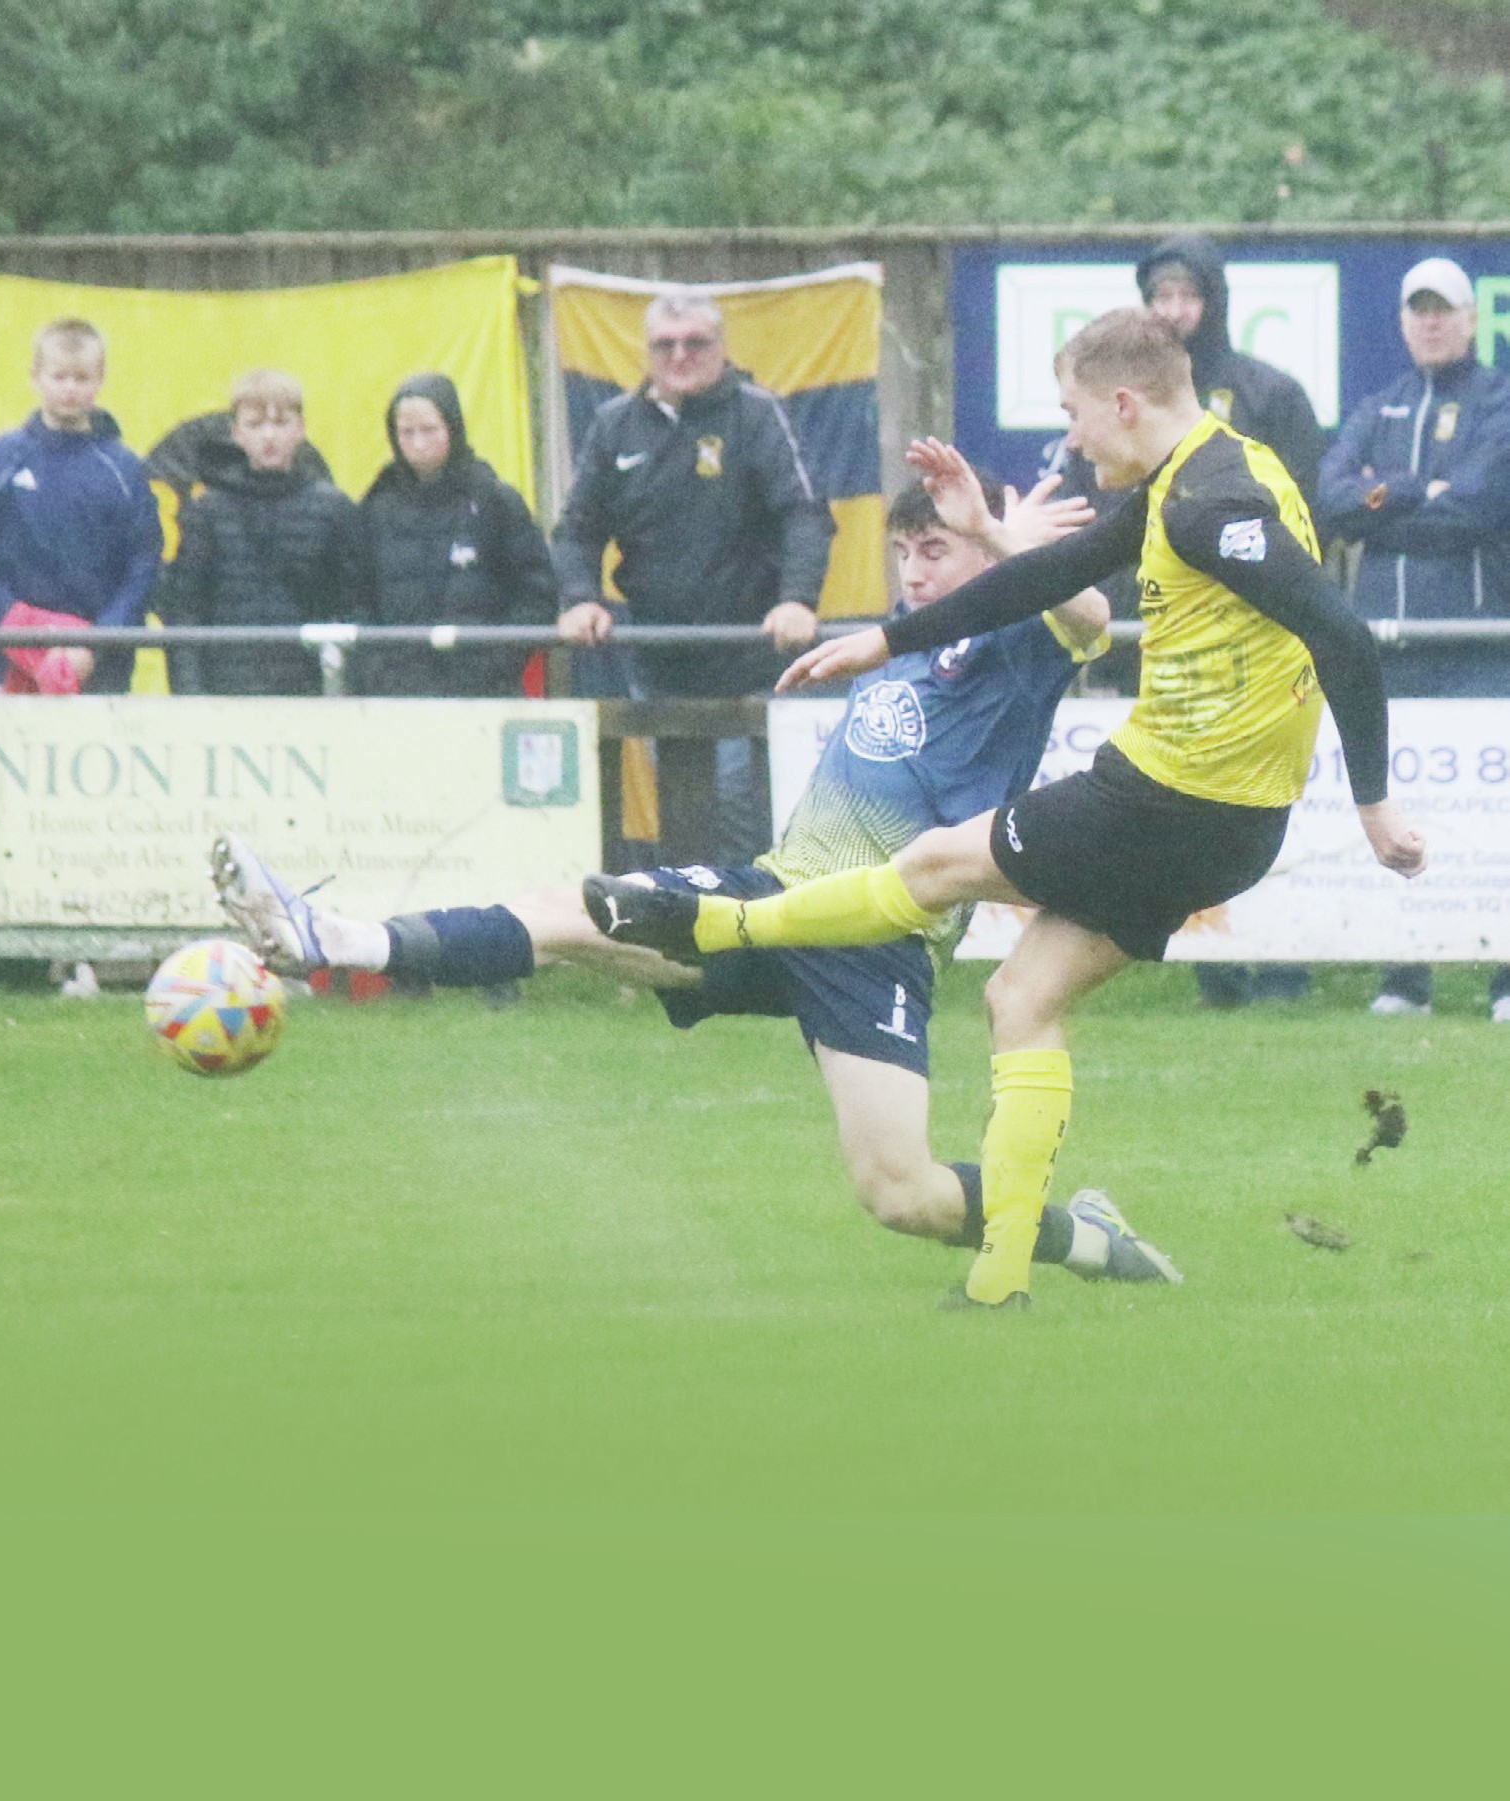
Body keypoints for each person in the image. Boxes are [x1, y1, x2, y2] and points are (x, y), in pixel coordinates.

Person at [584, 308, 1426, 1310]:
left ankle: (715, 923)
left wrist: (1374, 804)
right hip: (1234, 825)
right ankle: (1000, 1277)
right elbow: (1047, 572)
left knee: (934, 863)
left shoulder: (1206, 505)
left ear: (1124, 402)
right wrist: (888, 640)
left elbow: (1343, 634)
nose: (1071, 438)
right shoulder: (1204, 471)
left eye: (1073, 412)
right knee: (1020, 999)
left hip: (1163, 799)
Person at [211, 465, 1182, 1291]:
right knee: (575, 913)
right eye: (903, 551)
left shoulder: (1015, 644)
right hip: (770, 898)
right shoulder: (900, 643)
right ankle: (337, 939)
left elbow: (1090, 615)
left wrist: (999, 537)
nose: (914, 570)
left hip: (876, 942)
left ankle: (1081, 1233)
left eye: (936, 550)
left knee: (901, 1194)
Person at [1054, 236, 1329, 1008]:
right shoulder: (1109, 406)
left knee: (1252, 800)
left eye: (1189, 295)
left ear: (1216, 300)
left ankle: (1284, 969)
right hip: (1150, 630)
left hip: (1256, 643)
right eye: (1162, 296)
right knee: (1170, 801)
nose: (1176, 310)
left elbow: (1302, 515)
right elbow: (1100, 516)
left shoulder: (1269, 393)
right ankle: (1213, 970)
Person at [551, 291, 835, 864]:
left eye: (695, 343)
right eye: (665, 345)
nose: (680, 355)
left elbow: (805, 515)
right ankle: (697, 917)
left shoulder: (757, 414)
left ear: (722, 347)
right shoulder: (614, 424)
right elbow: (575, 530)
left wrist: (798, 599)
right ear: (647, 351)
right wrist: (580, 597)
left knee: (741, 810)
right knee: (686, 821)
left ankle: (757, 914)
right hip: (660, 659)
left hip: (752, 657)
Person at [1316, 255, 1510, 1020]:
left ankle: (1505, 977)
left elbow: (1479, 508)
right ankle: (1404, 977)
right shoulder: (1380, 405)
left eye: (1444, 309)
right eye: (1418, 310)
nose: (1431, 323)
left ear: (1470, 319)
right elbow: (1334, 500)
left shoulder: (1499, 399)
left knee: (1495, 817)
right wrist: (1406, 490)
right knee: (1399, 811)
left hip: (1478, 647)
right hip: (1389, 653)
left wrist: (1381, 512)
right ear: (1402, 321)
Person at [0, 317, 162, 696]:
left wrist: (98, 642)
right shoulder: (3, 456)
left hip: (96, 670)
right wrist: (10, 619)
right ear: (36, 377)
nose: (70, 389)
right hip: (2, 662)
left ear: (100, 380)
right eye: (59, 377)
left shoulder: (124, 469)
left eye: (82, 378)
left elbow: (144, 564)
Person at [348, 372, 557, 699]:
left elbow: (537, 595)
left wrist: (496, 662)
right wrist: (379, 672)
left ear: (452, 427)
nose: (418, 443)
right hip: (397, 696)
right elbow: (355, 600)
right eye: (406, 432)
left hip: (485, 694)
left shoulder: (494, 501)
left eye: (429, 430)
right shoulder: (375, 507)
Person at [157, 368, 358, 698]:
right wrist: (190, 695)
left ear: (301, 429)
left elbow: (352, 608)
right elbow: (185, 612)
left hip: (307, 690)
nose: (269, 436)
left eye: (280, 423)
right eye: (255, 424)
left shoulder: (334, 510)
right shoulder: (207, 512)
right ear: (236, 433)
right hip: (225, 689)